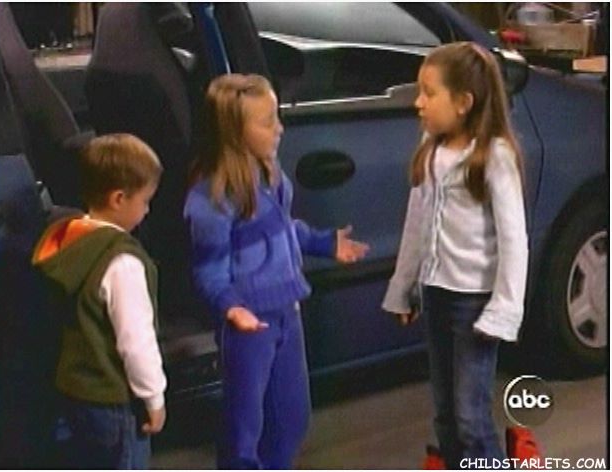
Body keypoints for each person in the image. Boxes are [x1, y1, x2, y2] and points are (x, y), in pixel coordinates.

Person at [184, 73, 369, 469]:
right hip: (250, 324)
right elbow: (209, 269)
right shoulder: (212, 198)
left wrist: (323, 243)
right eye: (267, 122)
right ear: (235, 132)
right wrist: (231, 306)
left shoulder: (270, 175)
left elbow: (282, 227)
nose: (279, 128)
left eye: (277, 117)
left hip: (287, 312)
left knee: (292, 417)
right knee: (244, 428)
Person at [382, 42, 528, 469]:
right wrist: (403, 287)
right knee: (445, 412)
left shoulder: (494, 156)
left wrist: (503, 310)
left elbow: (514, 240)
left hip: (474, 304)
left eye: (429, 93)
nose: (418, 103)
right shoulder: (431, 150)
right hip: (437, 295)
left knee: (470, 417)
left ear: (463, 102)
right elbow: (416, 223)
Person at [32, 134, 167, 469]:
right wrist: (154, 397)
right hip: (114, 400)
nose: (148, 210)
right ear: (119, 198)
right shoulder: (122, 262)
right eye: (145, 201)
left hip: (75, 392)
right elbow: (136, 342)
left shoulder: (67, 238)